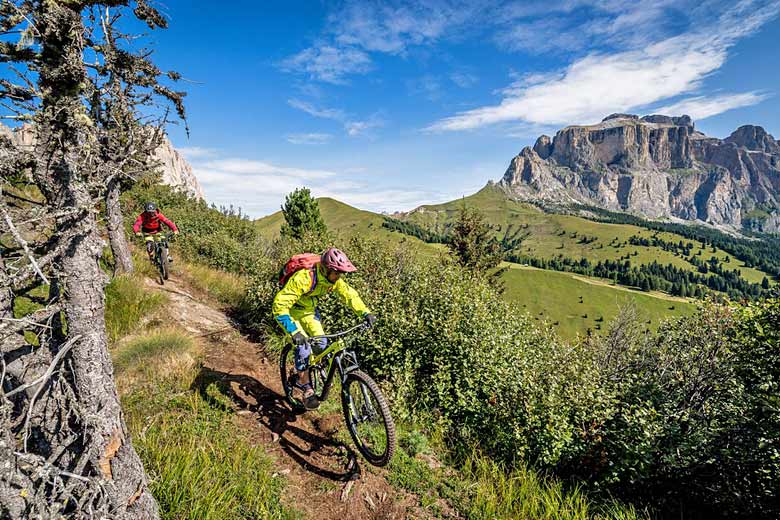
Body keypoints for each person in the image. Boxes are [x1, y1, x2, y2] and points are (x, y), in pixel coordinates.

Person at [272, 247, 376, 410]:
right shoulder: (304, 278)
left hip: (309, 312)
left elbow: (349, 294)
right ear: (327, 269)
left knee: (321, 344)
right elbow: (279, 306)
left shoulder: (332, 279)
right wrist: (294, 332)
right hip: (291, 312)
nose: (339, 277)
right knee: (303, 347)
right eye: (337, 273)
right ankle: (304, 385)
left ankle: (309, 367)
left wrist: (365, 313)